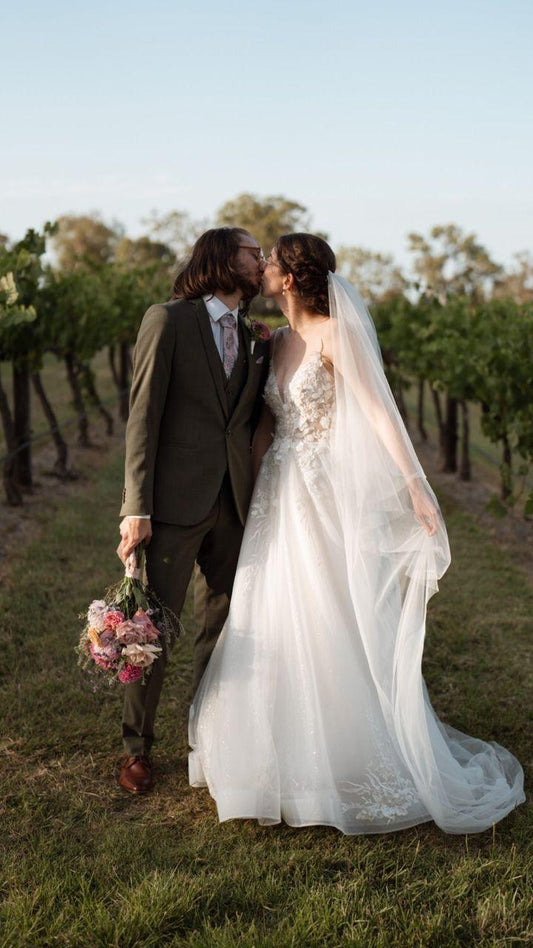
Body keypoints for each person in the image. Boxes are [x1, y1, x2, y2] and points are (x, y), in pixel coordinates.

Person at [188, 233, 525, 834]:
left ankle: (342, 755)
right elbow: (265, 428)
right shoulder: (278, 341)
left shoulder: (334, 334)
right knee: (270, 612)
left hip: (320, 493)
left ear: (289, 279)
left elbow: (377, 411)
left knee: (327, 611)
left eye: (269, 261)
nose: (260, 267)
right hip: (276, 494)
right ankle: (270, 757)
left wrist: (416, 483)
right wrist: (242, 494)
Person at [117, 227, 269, 793]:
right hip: (173, 506)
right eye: (253, 253)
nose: (262, 262)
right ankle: (136, 748)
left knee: (225, 627)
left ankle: (208, 737)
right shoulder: (169, 319)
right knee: (152, 628)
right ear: (221, 258)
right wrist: (137, 506)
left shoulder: (256, 336)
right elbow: (143, 417)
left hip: (234, 502)